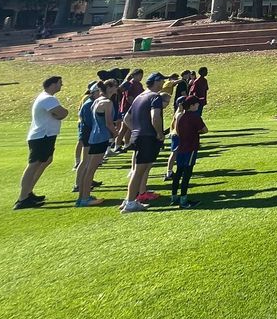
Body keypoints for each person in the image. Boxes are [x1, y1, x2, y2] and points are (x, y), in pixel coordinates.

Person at [15, 76, 67, 209]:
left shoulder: (47, 97)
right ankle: (23, 198)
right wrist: (62, 113)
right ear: (53, 84)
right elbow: (62, 113)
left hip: (45, 135)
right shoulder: (48, 99)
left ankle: (28, 192)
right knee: (34, 165)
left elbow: (59, 114)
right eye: (60, 83)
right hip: (42, 136)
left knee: (46, 160)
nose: (61, 85)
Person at [121, 72, 166, 213]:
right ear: (156, 81)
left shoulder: (139, 97)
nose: (163, 83)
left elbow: (127, 118)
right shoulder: (155, 97)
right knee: (140, 170)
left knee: (139, 170)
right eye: (162, 80)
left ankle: (129, 200)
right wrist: (159, 133)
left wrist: (136, 129)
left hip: (139, 136)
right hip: (148, 137)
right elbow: (155, 117)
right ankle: (130, 202)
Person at [77, 80, 113, 207]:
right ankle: (84, 199)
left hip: (94, 136)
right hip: (100, 137)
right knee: (90, 169)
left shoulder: (95, 101)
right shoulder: (106, 102)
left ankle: (82, 196)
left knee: (88, 168)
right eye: (115, 86)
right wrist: (116, 134)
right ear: (109, 88)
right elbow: (108, 123)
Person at [170, 95, 207, 207]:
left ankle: (174, 196)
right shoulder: (195, 117)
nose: (198, 105)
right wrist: (196, 132)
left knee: (179, 172)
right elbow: (205, 130)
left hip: (181, 147)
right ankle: (183, 199)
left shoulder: (180, 115)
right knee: (187, 173)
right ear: (191, 106)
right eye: (196, 104)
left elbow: (177, 131)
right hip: (191, 147)